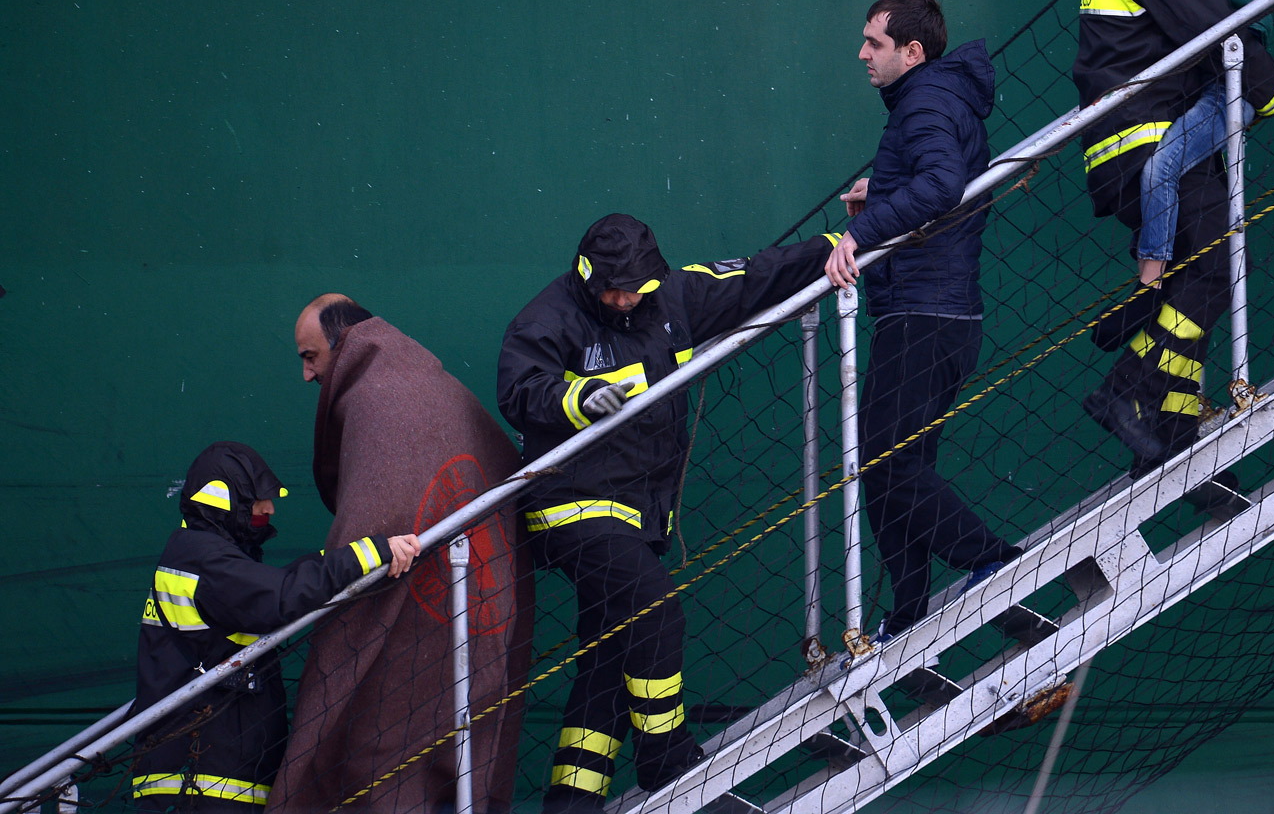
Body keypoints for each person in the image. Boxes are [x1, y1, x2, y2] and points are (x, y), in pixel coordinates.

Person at [496, 213, 836, 813]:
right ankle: (666, 758)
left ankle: (569, 804)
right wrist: (576, 397)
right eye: (613, 290)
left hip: (636, 511)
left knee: (608, 657)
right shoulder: (546, 318)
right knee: (656, 612)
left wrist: (843, 242)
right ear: (585, 275)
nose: (625, 300)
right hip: (570, 505)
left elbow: (758, 275)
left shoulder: (672, 296)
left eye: (636, 289)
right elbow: (519, 389)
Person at [1073, 0, 1274, 473]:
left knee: (1203, 273)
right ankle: (1126, 390)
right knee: (1215, 267)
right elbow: (1216, 30)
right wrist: (1270, 90)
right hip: (1147, 146)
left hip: (1129, 148)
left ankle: (1170, 422)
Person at [269, 296, 533, 814]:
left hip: (417, 632)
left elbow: (372, 522)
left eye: (310, 356)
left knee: (374, 757)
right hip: (470, 632)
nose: (306, 374)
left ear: (342, 344)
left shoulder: (381, 398)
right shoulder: (426, 384)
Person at [823, 0, 1022, 642]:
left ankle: (991, 559)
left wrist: (863, 232)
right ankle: (909, 614)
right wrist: (880, 193)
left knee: (888, 468)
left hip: (926, 314)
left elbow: (941, 188)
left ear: (913, 51)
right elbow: (943, 178)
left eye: (873, 43)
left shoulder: (929, 98)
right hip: (932, 314)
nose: (861, 54)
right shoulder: (932, 98)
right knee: (890, 473)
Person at [131, 441, 420, 812]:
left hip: (205, 779)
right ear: (223, 500)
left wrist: (336, 563)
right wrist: (368, 553)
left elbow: (267, 588)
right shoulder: (203, 558)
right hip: (200, 784)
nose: (268, 509)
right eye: (256, 501)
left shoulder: (200, 556)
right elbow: (279, 597)